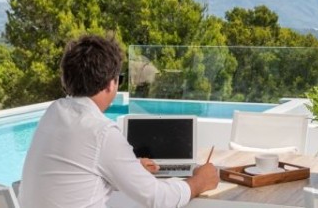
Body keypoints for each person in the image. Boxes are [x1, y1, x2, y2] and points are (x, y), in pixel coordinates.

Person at [19, 34, 219, 208]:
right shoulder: (101, 132)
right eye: (119, 79)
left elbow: (78, 173)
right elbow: (158, 198)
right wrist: (199, 181)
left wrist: (131, 168)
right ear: (110, 84)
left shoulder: (54, 112)